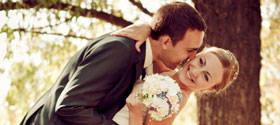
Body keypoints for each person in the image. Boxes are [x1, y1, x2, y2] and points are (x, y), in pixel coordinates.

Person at [20, 2, 206, 125]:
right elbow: (70, 106)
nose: (191, 57)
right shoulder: (121, 51)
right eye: (190, 49)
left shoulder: (141, 56)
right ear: (166, 42)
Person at [113, 46, 239, 125]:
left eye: (205, 76)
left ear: (208, 89)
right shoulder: (171, 72)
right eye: (201, 61)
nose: (195, 72)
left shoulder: (173, 99)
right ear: (196, 55)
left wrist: (136, 113)